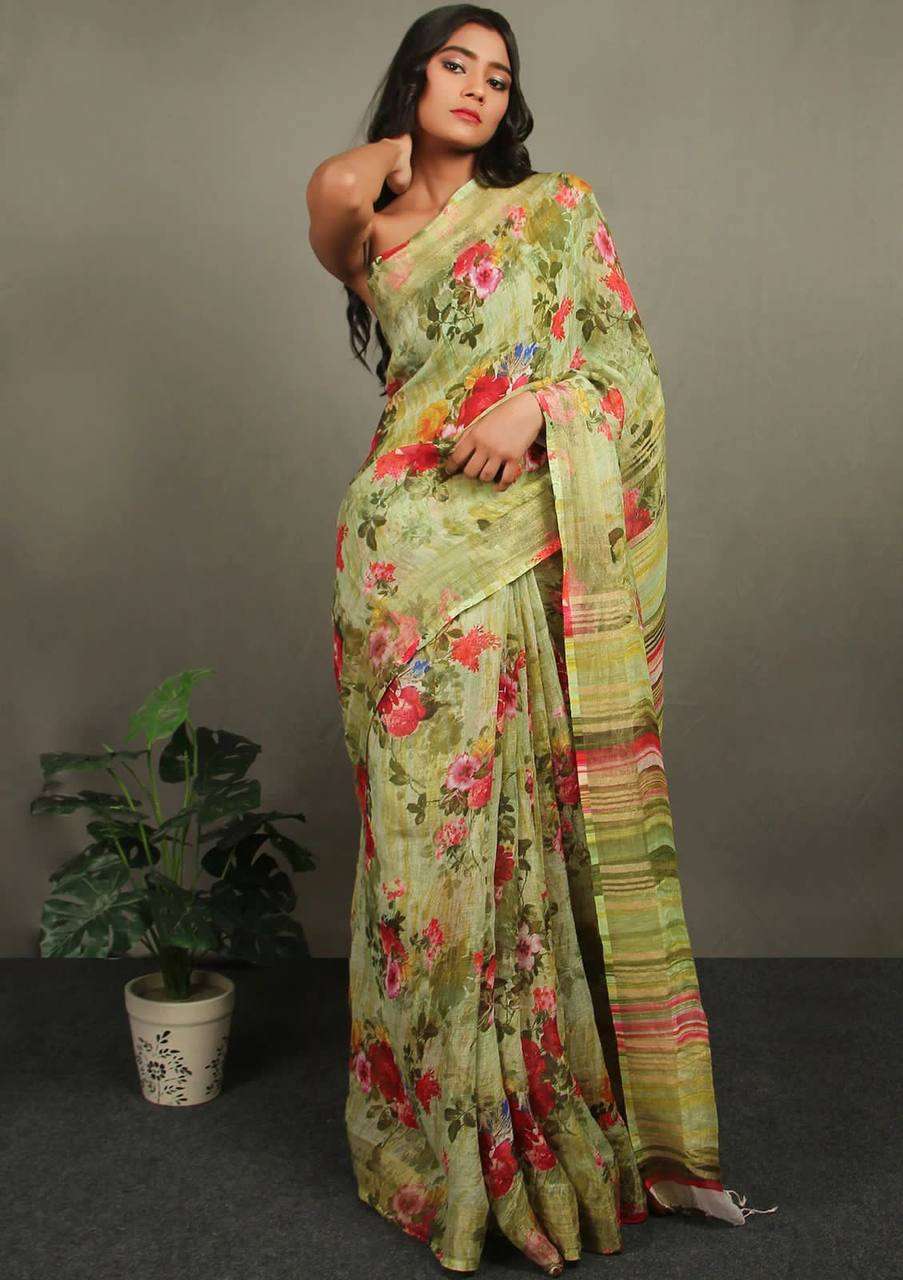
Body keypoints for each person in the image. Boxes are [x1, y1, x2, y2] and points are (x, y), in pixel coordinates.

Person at [307, 6, 777, 1275]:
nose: (476, 86)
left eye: (497, 74)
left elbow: (630, 374)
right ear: (413, 79)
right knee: (421, 864)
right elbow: (333, 189)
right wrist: (397, 152)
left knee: (520, 838)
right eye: (452, 64)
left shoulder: (557, 210)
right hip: (401, 561)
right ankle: (440, 1133)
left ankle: (527, 1125)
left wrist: (537, 406)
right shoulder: (373, 227)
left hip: (519, 549)